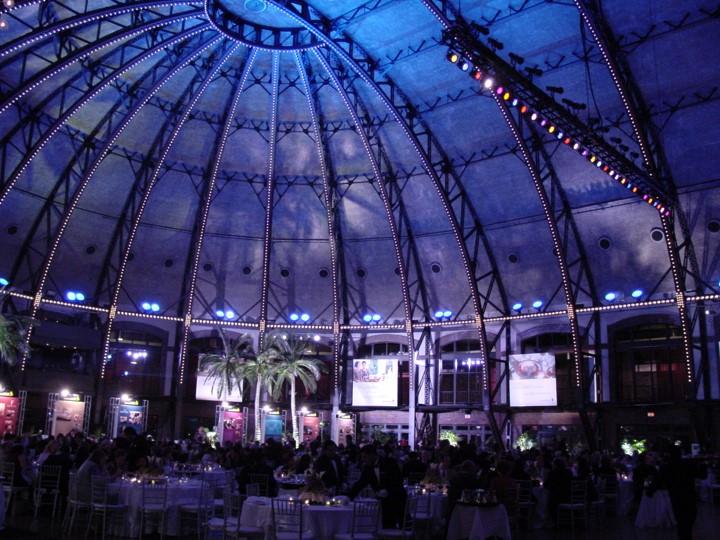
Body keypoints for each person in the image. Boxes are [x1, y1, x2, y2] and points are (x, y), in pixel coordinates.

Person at [349, 444, 406, 528]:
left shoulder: (389, 462)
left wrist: (388, 490)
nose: (363, 460)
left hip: (398, 498)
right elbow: (360, 484)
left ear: (372, 454)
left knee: (399, 523)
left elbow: (398, 480)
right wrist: (348, 496)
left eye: (365, 457)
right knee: (384, 523)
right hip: (382, 503)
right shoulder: (367, 468)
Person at [659, 446, 707, 540]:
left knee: (680, 523)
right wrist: (702, 464)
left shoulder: (666, 467)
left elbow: (660, 482)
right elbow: (703, 475)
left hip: (676, 499)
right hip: (690, 497)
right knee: (689, 522)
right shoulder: (688, 464)